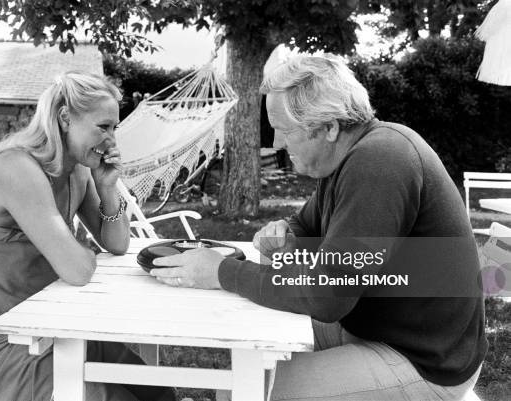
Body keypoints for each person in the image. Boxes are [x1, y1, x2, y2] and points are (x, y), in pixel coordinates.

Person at [150, 55, 487, 400]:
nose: (278, 143)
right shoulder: (352, 156)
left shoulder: (379, 162)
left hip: (425, 360)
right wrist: (286, 232)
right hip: (376, 328)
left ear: (329, 128)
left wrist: (223, 271)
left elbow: (328, 296)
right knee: (244, 369)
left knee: (253, 391)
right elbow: (306, 226)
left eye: (285, 130)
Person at [0, 71, 174, 401]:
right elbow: (78, 270)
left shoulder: (77, 170)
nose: (111, 140)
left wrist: (107, 188)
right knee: (106, 395)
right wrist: (76, 252)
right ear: (66, 118)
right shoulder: (17, 168)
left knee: (155, 390)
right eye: (103, 127)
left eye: (114, 128)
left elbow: (118, 243)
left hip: (48, 323)